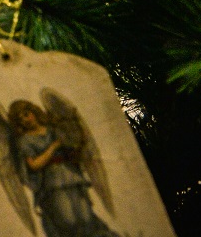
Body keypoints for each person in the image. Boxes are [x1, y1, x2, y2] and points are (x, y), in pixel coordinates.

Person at [8, 100, 119, 237]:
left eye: (26, 114)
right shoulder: (24, 141)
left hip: (71, 176)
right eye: (20, 119)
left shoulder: (52, 129)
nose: (25, 120)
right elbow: (34, 165)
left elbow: (71, 146)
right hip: (51, 183)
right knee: (68, 220)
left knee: (85, 217)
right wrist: (53, 147)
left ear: (33, 112)